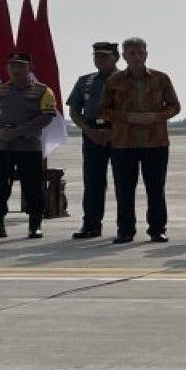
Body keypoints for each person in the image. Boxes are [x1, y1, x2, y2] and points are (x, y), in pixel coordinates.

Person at [98, 37, 181, 244]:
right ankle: (125, 230)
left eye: (140, 53)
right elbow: (102, 111)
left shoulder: (161, 78)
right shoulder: (114, 81)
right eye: (132, 53)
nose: (136, 57)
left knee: (156, 188)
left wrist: (157, 116)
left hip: (156, 142)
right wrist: (127, 118)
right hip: (124, 143)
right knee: (124, 189)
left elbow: (174, 106)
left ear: (146, 54)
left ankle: (157, 229)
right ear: (124, 56)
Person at [0, 52, 57, 240]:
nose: (16, 69)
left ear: (30, 68)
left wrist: (20, 131)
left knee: (32, 187)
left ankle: (35, 225)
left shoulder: (43, 91)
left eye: (21, 66)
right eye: (12, 65)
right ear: (7, 68)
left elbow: (47, 116)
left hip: (28, 147)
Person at [65, 41, 120, 239]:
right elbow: (74, 110)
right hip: (92, 134)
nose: (100, 60)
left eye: (105, 56)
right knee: (93, 181)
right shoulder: (85, 81)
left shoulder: (126, 79)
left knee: (123, 182)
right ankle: (91, 224)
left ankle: (125, 227)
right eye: (97, 56)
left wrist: (112, 131)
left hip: (119, 134)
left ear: (116, 57)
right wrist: (88, 131)